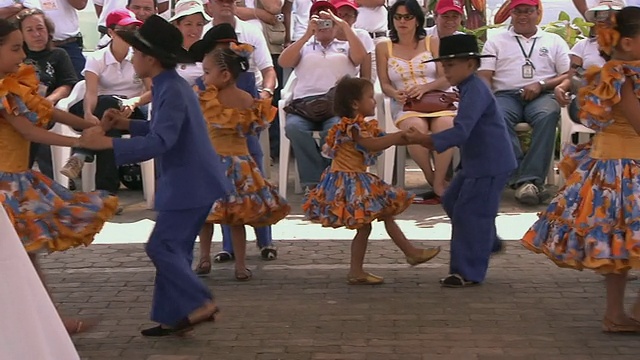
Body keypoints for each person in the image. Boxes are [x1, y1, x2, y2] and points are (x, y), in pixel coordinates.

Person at [78, 15, 227, 336]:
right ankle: (173, 316)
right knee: (174, 250)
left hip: (190, 183)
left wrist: (105, 142)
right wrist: (125, 125)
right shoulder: (168, 85)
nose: (132, 57)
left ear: (151, 58)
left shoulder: (171, 89)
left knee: (161, 249)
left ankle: (201, 302)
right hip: (193, 182)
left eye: (136, 52)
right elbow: (164, 130)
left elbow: (162, 141)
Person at [521, 7, 640, 333]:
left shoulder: (619, 71)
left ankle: (616, 315)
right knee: (625, 243)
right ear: (628, 42)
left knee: (622, 246)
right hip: (625, 166)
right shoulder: (622, 75)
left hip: (616, 163)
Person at [0, 18, 118, 333]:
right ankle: (46, 324)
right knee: (22, 258)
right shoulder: (3, 90)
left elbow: (45, 110)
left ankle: (47, 323)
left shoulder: (13, 83)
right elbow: (28, 130)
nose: (21, 55)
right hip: (6, 185)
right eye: (14, 49)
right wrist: (80, 140)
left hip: (15, 181)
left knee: (27, 256)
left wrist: (86, 124)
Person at [303, 76, 440, 285]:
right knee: (369, 224)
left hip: (355, 178)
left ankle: (408, 253)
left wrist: (404, 137)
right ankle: (360, 269)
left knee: (384, 214)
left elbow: (379, 140)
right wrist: (398, 137)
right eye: (370, 97)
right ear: (355, 104)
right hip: (348, 181)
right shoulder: (351, 127)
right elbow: (372, 145)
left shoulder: (359, 126)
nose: (374, 101)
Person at [405, 34, 517, 288]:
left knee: (470, 214)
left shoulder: (475, 89)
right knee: (453, 199)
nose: (446, 70)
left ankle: (466, 272)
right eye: (444, 65)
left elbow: (462, 131)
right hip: (478, 163)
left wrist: (426, 140)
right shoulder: (470, 87)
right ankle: (487, 241)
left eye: (451, 65)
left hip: (489, 164)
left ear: (471, 64)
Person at [189, 23, 278, 274]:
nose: (203, 77)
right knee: (236, 218)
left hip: (211, 163)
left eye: (207, 72)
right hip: (240, 164)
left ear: (224, 74)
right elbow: (253, 129)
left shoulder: (206, 97)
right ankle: (240, 265)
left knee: (206, 216)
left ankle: (204, 258)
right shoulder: (248, 99)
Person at [376, 0, 455, 204]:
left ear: (417, 21)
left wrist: (425, 88)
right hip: (405, 103)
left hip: (435, 97)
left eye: (407, 17)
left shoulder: (432, 42)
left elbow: (446, 77)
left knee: (446, 125)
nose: (402, 21)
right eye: (398, 17)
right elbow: (384, 83)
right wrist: (395, 93)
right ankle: (430, 176)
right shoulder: (384, 46)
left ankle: (439, 182)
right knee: (415, 128)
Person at [14, 8, 78, 180]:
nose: (36, 34)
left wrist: (51, 99)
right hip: (16, 108)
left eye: (40, 28)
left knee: (36, 121)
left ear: (48, 30)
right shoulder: (14, 56)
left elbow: (67, 84)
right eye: (30, 30)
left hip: (47, 109)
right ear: (20, 34)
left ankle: (52, 178)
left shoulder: (58, 54)